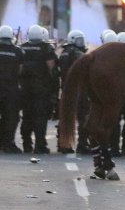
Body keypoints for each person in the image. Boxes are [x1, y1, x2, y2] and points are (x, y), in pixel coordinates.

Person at [19, 25, 57, 153]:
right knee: (40, 117)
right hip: (41, 88)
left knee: (27, 116)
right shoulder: (46, 48)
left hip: (25, 88)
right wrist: (54, 86)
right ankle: (40, 145)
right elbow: (51, 68)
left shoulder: (22, 47)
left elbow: (18, 68)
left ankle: (26, 144)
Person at [57, 29, 89, 153]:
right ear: (72, 40)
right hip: (78, 89)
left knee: (66, 117)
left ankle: (64, 145)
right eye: (79, 40)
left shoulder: (64, 52)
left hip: (66, 88)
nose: (81, 43)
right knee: (83, 117)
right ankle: (82, 144)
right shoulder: (77, 53)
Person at [0, 25, 24, 153]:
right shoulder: (17, 51)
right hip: (10, 88)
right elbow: (20, 70)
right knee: (11, 117)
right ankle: (8, 143)